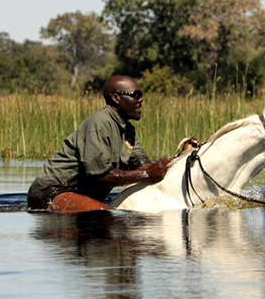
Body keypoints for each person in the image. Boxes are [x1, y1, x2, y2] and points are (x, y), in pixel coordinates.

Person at [27, 75, 169, 212]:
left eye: (141, 95)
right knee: (102, 215)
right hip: (52, 191)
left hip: (81, 195)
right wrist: (146, 174)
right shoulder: (99, 122)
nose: (141, 100)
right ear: (115, 98)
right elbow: (100, 176)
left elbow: (146, 168)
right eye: (135, 95)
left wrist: (183, 156)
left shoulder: (129, 130)